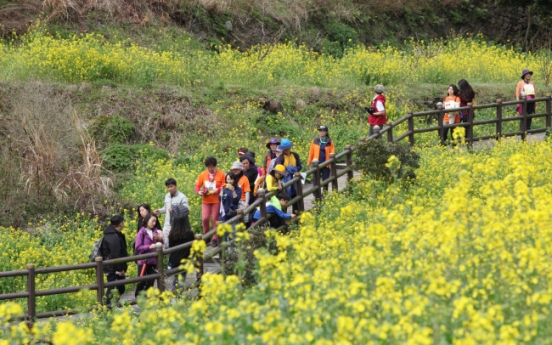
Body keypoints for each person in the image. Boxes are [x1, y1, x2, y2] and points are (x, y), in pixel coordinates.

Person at [195, 156, 226, 246]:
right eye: (208, 167)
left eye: (212, 167)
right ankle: (207, 236)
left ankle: (215, 238)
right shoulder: (203, 174)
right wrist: (199, 192)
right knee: (205, 219)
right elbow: (197, 185)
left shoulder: (221, 174)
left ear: (215, 166)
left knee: (214, 219)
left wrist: (218, 189)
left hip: (216, 200)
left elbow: (224, 185)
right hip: (206, 200)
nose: (210, 169)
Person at [134, 213, 164, 297]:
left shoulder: (155, 231)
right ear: (147, 220)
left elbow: (160, 245)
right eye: (152, 221)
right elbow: (138, 247)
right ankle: (137, 297)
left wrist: (160, 239)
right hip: (144, 261)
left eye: (155, 221)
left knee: (151, 281)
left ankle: (146, 297)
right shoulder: (141, 232)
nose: (154, 223)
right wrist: (149, 246)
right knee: (141, 281)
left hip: (153, 261)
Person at [101, 215, 128, 305]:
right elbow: (115, 254)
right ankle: (107, 306)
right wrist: (120, 269)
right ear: (120, 223)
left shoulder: (114, 234)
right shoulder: (113, 237)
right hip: (113, 267)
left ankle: (110, 305)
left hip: (112, 266)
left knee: (118, 287)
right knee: (113, 288)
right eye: (123, 222)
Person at [154, 178, 189, 246]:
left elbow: (185, 210)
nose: (170, 188)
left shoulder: (182, 197)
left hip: (177, 225)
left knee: (176, 243)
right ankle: (169, 257)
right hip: (167, 224)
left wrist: (174, 209)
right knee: (166, 243)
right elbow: (166, 208)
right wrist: (160, 211)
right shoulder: (167, 196)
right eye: (168, 187)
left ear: (176, 186)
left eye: (171, 186)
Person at [168, 209, 195, 290]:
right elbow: (192, 246)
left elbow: (170, 246)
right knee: (181, 279)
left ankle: (175, 294)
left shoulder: (172, 234)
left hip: (174, 260)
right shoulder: (189, 234)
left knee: (176, 278)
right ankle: (176, 295)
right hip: (185, 259)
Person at [275, 139, 302, 214]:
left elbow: (300, 166)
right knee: (284, 199)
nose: (286, 149)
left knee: (295, 198)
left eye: (287, 147)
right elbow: (277, 170)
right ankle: (284, 219)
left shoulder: (295, 155)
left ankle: (296, 216)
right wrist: (287, 170)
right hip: (284, 180)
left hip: (295, 179)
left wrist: (293, 169)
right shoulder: (280, 158)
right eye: (284, 148)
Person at [307, 125, 336, 190]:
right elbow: (311, 152)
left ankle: (325, 194)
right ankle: (316, 195)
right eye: (320, 131)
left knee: (325, 180)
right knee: (315, 180)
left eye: (323, 131)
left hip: (326, 164)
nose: (321, 132)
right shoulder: (315, 140)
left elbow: (332, 152)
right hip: (316, 164)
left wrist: (331, 163)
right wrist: (309, 162)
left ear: (326, 132)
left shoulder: (329, 141)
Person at [219, 172, 242, 243]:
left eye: (231, 179)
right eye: (227, 179)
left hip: (233, 212)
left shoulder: (238, 189)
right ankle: (225, 251)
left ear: (234, 180)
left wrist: (233, 191)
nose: (229, 181)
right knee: (224, 233)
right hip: (224, 213)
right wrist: (221, 190)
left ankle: (233, 250)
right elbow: (220, 199)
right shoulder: (225, 189)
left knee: (233, 232)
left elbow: (236, 200)